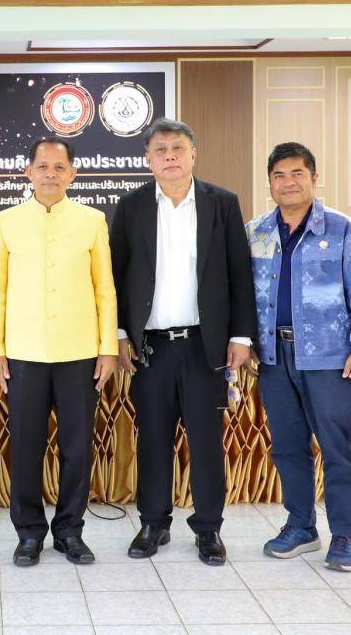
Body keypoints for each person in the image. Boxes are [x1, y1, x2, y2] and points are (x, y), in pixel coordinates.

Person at [109, 119, 256, 565]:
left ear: (193, 154)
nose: (169, 155)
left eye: (178, 148)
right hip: (150, 348)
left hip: (204, 346)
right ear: (148, 159)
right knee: (153, 439)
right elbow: (116, 274)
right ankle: (154, 524)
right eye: (160, 149)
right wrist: (120, 333)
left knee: (206, 442)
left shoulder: (221, 203)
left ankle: (208, 529)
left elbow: (239, 273)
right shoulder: (131, 205)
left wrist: (241, 335)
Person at [245, 142, 351, 572]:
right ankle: (301, 525)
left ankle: (345, 533)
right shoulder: (256, 232)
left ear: (314, 178)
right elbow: (243, 293)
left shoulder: (341, 229)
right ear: (269, 182)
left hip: (329, 356)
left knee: (337, 446)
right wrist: (246, 343)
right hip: (272, 355)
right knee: (288, 446)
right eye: (279, 175)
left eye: (297, 174)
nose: (288, 183)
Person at [0, 137, 118, 567]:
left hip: (80, 354)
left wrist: (107, 349)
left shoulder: (92, 220)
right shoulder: (6, 221)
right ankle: (28, 533)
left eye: (59, 168)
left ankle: (69, 531)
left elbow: (104, 289)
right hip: (23, 354)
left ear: (72, 174)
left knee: (77, 448)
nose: (50, 174)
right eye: (42, 167)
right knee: (26, 447)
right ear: (28, 172)